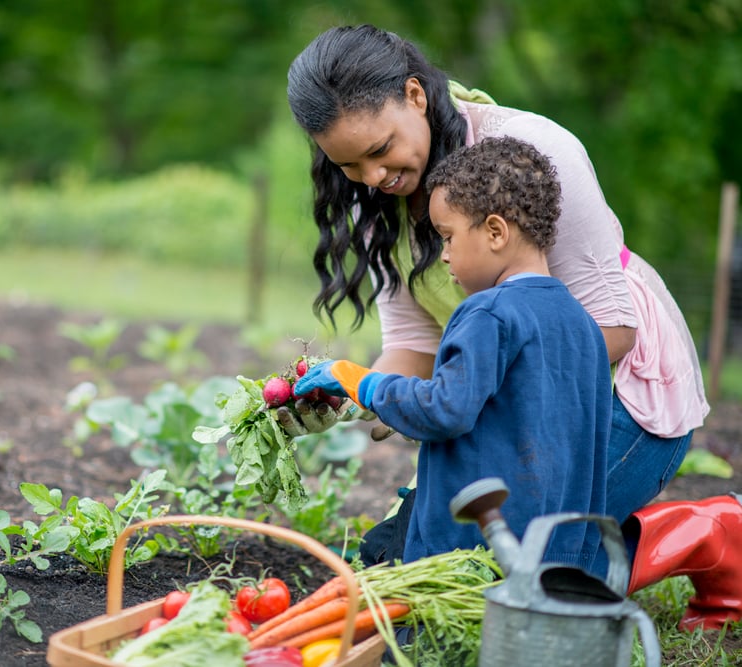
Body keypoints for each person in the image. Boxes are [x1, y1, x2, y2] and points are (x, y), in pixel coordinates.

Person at [284, 24, 740, 631]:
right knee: (399, 561)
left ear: (416, 96)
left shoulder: (530, 151)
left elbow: (612, 331)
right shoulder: (376, 201)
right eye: (349, 164)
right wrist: (343, 393)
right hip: (497, 395)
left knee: (501, 576)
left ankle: (705, 534)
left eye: (381, 149)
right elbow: (413, 348)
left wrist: (465, 397)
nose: (372, 177)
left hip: (615, 395)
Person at [296, 136, 613, 576]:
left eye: (447, 237)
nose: (443, 256)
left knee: (397, 614)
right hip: (555, 558)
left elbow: (444, 410)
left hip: (468, 554)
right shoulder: (582, 325)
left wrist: (361, 381)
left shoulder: (488, 313)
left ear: (496, 232)